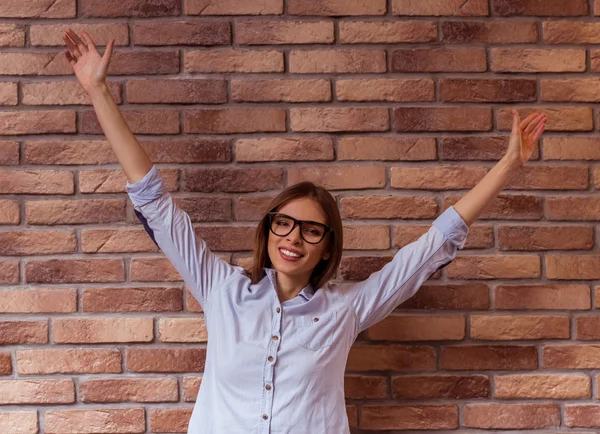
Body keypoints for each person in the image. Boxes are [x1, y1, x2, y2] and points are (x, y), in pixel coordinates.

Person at [63, 28, 546, 434]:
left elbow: (430, 248)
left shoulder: (346, 309)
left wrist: (507, 166)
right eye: (284, 224)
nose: (293, 238)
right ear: (269, 231)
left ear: (326, 247)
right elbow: (154, 202)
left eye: (311, 231)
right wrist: (98, 92)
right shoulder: (221, 289)